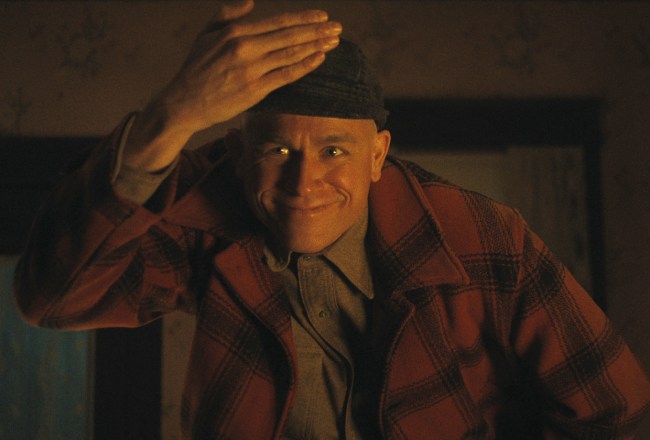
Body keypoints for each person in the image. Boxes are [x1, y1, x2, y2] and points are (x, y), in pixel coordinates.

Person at [13, 1, 650, 438]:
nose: (303, 183)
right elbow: (51, 298)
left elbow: (614, 407)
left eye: (335, 151)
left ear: (378, 155)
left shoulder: (485, 237)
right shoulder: (208, 217)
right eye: (276, 151)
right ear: (239, 154)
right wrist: (169, 116)